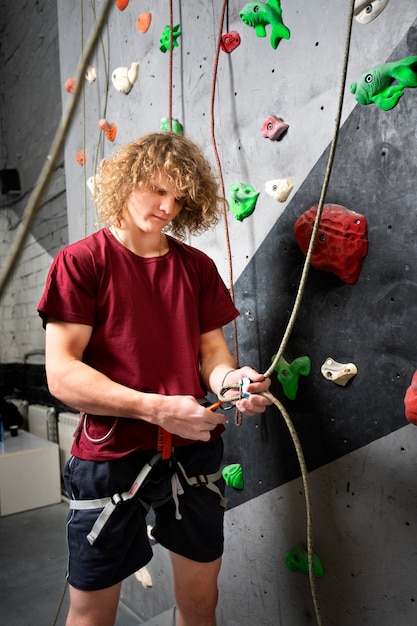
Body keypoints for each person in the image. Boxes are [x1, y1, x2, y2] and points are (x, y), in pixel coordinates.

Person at [38, 131, 271, 626]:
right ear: (127, 181)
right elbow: (62, 374)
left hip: (191, 451)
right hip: (110, 453)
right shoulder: (81, 263)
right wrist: (157, 407)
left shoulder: (196, 267)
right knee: (90, 612)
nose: (168, 207)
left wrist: (234, 383)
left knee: (201, 602)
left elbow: (213, 357)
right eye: (158, 190)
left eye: (179, 197)